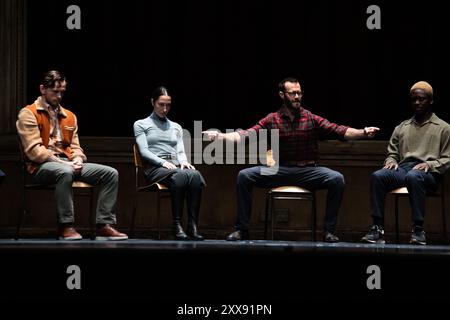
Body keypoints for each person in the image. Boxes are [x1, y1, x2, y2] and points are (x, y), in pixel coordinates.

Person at [204, 77, 379, 242]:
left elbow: (339, 130)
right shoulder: (272, 119)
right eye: (292, 93)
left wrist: (363, 132)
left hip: (308, 171)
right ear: (282, 95)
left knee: (336, 179)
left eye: (299, 93)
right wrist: (219, 136)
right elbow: (245, 135)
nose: (297, 96)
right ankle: (242, 229)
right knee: (245, 175)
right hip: (279, 170)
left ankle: (328, 231)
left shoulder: (310, 117)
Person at [16, 70, 128, 241]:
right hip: (40, 166)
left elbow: (76, 146)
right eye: (55, 91)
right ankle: (66, 226)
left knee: (110, 173)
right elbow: (34, 151)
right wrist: (64, 164)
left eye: (62, 92)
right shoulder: (28, 113)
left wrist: (77, 158)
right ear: (42, 89)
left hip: (67, 163)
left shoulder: (70, 116)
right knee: (65, 172)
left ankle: (104, 225)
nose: (59, 96)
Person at [362, 81, 450, 245]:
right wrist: (391, 161)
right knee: (378, 176)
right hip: (404, 170)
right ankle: (377, 228)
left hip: (429, 174)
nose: (417, 102)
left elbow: (448, 158)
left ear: (430, 100)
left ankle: (418, 229)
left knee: (414, 176)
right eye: (414, 99)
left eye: (421, 99)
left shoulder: (443, 128)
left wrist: (430, 165)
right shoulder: (402, 127)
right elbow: (392, 152)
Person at [134, 86, 206, 240]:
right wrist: (162, 162)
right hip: (155, 169)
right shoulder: (141, 124)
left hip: (175, 167)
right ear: (152, 102)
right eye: (161, 104)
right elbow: (144, 151)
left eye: (168, 105)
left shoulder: (176, 126)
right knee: (180, 176)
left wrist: (184, 162)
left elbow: (180, 150)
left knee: (195, 175)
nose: (165, 109)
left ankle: (192, 226)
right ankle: (176, 224)